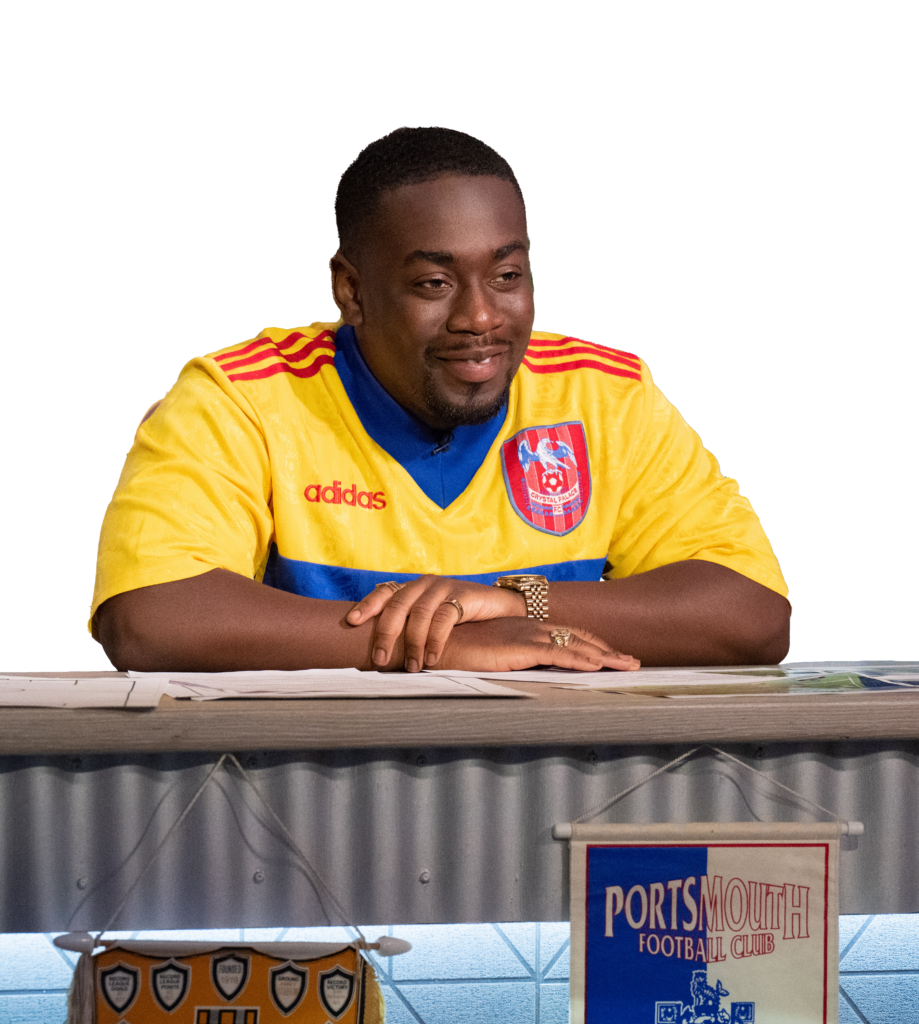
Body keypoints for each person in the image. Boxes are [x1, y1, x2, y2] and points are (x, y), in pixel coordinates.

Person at [89, 126, 790, 674]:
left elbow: (752, 617)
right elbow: (151, 617)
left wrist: (517, 602)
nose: (480, 317)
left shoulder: (605, 394)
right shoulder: (240, 396)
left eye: (507, 273)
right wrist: (441, 645)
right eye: (434, 284)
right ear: (350, 290)